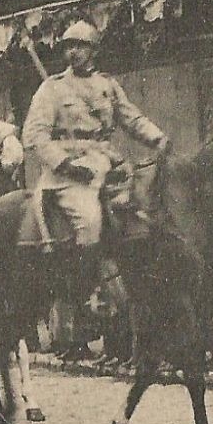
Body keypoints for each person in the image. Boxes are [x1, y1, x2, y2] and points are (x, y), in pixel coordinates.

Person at [22, 18, 168, 308]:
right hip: (71, 172)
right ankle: (86, 290)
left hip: (108, 162)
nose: (73, 52)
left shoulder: (107, 85)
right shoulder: (52, 88)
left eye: (80, 46)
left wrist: (157, 138)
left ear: (93, 51)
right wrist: (64, 163)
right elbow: (34, 134)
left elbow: (131, 118)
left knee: (145, 213)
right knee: (89, 221)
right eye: (69, 47)